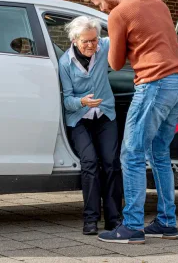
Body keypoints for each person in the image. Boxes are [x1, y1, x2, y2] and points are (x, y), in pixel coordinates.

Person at [84, 0, 178, 244]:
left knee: (131, 153)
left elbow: (116, 63)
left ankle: (131, 226)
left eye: (99, 4)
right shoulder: (156, 2)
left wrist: (106, 44)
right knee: (159, 152)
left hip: (154, 84)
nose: (102, 9)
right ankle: (167, 222)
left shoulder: (118, 14)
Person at [58, 16, 122, 235]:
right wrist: (82, 102)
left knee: (112, 163)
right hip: (79, 118)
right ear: (75, 40)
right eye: (85, 41)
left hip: (105, 115)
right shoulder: (65, 63)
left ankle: (114, 219)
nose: (90, 45)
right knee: (90, 163)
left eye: (94, 40)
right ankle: (91, 219)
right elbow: (67, 101)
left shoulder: (103, 47)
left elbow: (121, 33)